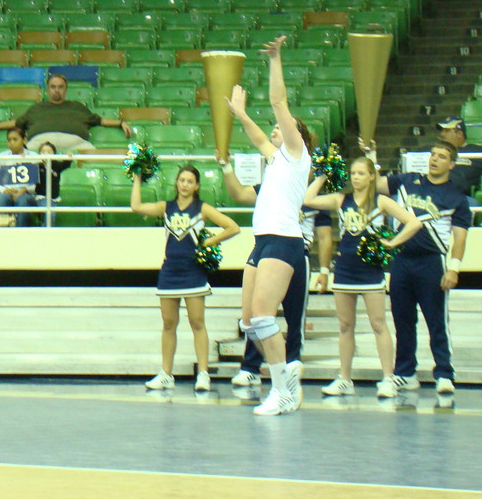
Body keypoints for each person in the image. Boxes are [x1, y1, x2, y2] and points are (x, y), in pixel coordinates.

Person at [224, 36, 311, 416]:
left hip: (284, 241)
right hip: (262, 241)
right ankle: (286, 372)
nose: (274, 132)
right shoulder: (277, 160)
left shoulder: (296, 154)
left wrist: (275, 59)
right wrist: (240, 114)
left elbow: (278, 104)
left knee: (263, 315)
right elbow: (259, 136)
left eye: (282, 129)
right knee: (249, 321)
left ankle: (282, 388)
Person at [304, 157, 422, 398]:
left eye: (360, 173)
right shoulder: (341, 199)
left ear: (371, 176)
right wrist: (323, 175)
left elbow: (414, 223)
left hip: (370, 269)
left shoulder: (382, 201)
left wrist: (391, 243)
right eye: (352, 173)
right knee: (345, 326)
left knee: (378, 323)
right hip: (345, 268)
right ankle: (345, 378)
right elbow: (307, 200)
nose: (355, 177)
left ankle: (388, 378)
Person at [366, 139, 472, 394]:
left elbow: (460, 238)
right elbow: (376, 183)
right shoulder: (407, 180)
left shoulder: (456, 198)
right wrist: (371, 155)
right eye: (433, 154)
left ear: (452, 164)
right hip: (401, 260)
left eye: (442, 156)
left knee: (436, 321)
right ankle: (405, 372)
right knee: (403, 319)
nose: (434, 159)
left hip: (431, 262)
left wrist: (453, 268)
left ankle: (444, 372)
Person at [219, 160, 334, 394]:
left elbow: (324, 237)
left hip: (297, 254)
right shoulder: (271, 186)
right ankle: (251, 366)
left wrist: (323, 270)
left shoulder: (316, 197)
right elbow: (239, 194)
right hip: (268, 252)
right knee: (257, 313)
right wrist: (226, 166)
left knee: (294, 318)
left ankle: (291, 366)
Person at [132, 165, 239, 392]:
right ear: (176, 183)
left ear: (197, 186)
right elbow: (136, 206)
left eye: (190, 181)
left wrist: (211, 241)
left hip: (193, 271)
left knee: (197, 323)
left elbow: (233, 227)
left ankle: (203, 374)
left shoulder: (202, 208)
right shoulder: (166, 207)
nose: (185, 184)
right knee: (168, 324)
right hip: (170, 270)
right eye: (182, 180)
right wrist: (137, 179)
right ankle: (166, 374)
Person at [0, 73, 133, 151]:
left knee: (94, 156)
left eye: (60, 87)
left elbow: (101, 121)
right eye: (53, 87)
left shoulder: (77, 106)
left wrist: (121, 122)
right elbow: (16, 123)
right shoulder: (36, 108)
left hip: (75, 144)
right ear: (48, 89)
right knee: (23, 157)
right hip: (39, 144)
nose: (57, 90)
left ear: (66, 90)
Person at [431, 116, 482, 204]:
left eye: (447, 130)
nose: (442, 134)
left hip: (459, 198)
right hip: (432, 195)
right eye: (442, 130)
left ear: (459, 134)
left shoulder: (477, 152)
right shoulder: (433, 151)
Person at [0, 127, 40, 227]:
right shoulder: (0, 157)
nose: (11, 142)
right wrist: (4, 190)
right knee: (1, 199)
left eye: (15, 139)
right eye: (9, 140)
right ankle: (4, 233)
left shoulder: (33, 156)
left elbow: (36, 184)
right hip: (7, 191)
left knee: (23, 201)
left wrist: (24, 190)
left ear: (24, 140)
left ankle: (21, 234)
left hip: (27, 194)